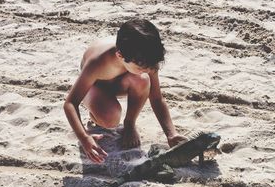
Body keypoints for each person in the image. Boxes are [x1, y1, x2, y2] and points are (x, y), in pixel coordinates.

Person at [64, 19, 187, 164]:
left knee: (142, 79)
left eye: (150, 65)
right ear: (120, 56)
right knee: (110, 118)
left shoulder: (147, 59)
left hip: (122, 80)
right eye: (142, 67)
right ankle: (95, 115)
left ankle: (129, 123)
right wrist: (84, 137)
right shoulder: (97, 62)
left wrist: (171, 134)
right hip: (96, 85)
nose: (148, 69)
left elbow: (156, 99)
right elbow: (70, 103)